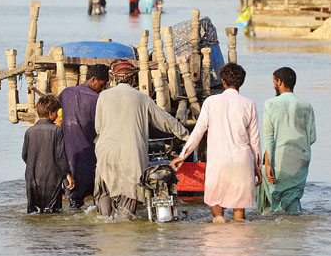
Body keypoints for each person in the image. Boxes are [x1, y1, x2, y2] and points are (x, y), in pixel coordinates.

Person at [93, 61, 189, 219]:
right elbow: (166, 121)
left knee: (104, 193)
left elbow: (98, 127)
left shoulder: (103, 96)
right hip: (132, 155)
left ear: (114, 78)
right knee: (128, 199)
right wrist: (187, 136)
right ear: (133, 80)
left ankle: (105, 227)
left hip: (106, 152)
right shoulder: (142, 98)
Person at [171, 63, 262, 222]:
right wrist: (257, 167)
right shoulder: (249, 104)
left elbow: (198, 132)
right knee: (239, 209)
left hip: (218, 161)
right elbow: (254, 141)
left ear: (223, 81)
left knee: (215, 202)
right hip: (241, 160)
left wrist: (182, 155)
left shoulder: (211, 102)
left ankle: (218, 231)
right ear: (241, 82)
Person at [254, 67, 316, 215]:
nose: (274, 85)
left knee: (272, 203)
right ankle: (295, 233)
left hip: (278, 158)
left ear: (279, 82)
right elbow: (312, 137)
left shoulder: (270, 104)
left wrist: (268, 164)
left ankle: (276, 234)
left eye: (274, 82)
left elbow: (269, 137)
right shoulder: (306, 106)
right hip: (300, 159)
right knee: (293, 199)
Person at [58, 64, 109, 208]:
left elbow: (56, 113)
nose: (102, 88)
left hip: (68, 157)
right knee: (97, 198)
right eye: (102, 84)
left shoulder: (66, 93)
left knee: (74, 201)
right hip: (90, 156)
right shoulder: (97, 100)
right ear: (93, 80)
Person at [21, 95, 75, 213]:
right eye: (56, 112)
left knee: (34, 211)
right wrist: (67, 175)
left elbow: (24, 155)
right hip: (52, 178)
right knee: (52, 212)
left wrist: (34, 165)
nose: (56, 116)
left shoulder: (29, 132)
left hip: (32, 177)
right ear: (50, 113)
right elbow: (61, 156)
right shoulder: (57, 131)